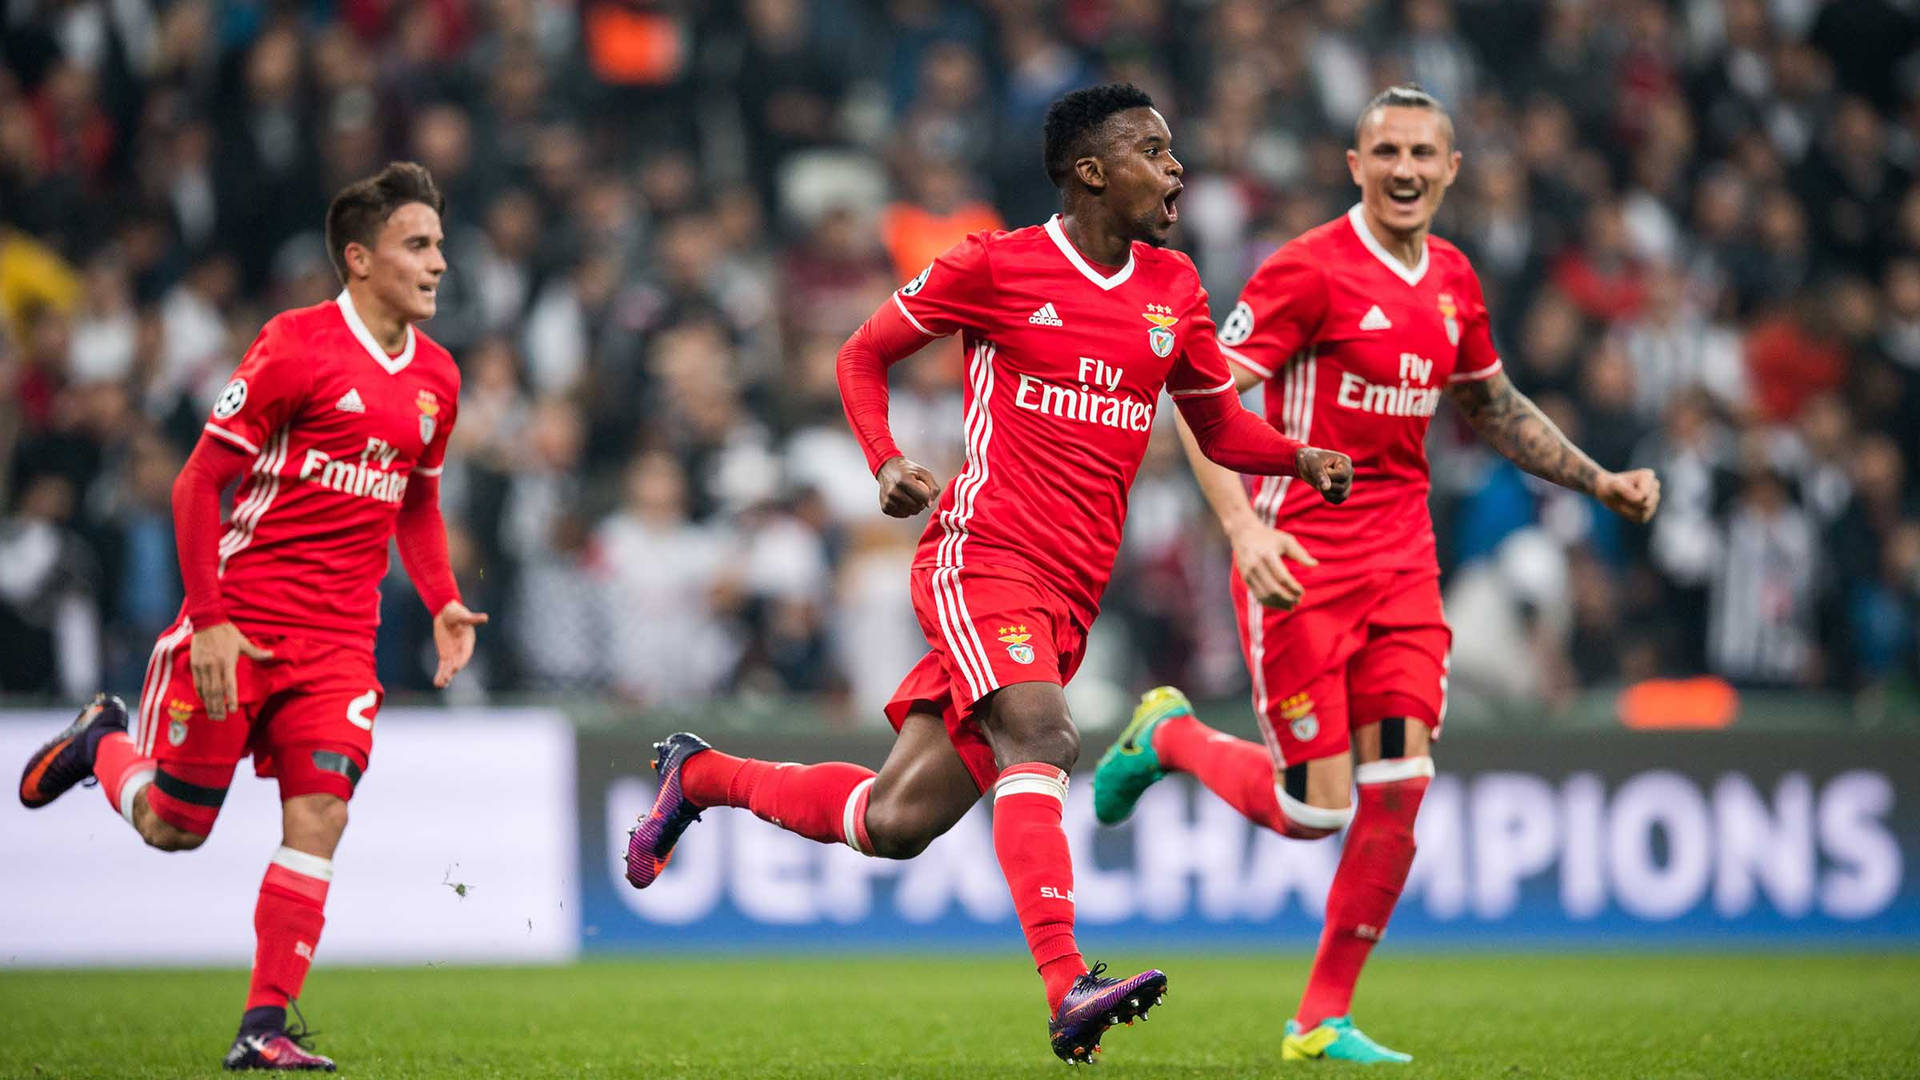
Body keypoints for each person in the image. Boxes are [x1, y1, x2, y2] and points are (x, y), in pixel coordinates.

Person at [624, 83, 1354, 1065]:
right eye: (1154, 149)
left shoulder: (1174, 288)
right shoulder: (998, 265)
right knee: (1046, 735)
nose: (1177, 169)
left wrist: (1296, 457)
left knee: (895, 821)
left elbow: (1217, 424)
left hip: (1070, 593)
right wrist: (884, 460)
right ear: (1091, 170)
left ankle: (698, 775)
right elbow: (861, 354)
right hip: (984, 557)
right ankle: (1068, 987)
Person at [1089, 85, 1662, 1064]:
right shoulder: (1308, 271)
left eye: (1422, 153)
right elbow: (1200, 399)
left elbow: (1491, 405)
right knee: (1315, 809)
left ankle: (1320, 1020)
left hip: (1403, 567)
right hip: (1299, 559)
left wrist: (1598, 479)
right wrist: (1242, 531)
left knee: (1397, 788)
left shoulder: (1452, 279)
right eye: (1385, 150)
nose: (1404, 168)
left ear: (1450, 170)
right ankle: (1169, 735)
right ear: (1356, 165)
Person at [17, 162, 488, 1073]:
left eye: (438, 244)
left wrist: (440, 601)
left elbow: (416, 504)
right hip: (242, 628)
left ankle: (262, 1026)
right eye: (418, 245)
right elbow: (198, 481)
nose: (439, 262)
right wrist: (210, 621)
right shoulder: (295, 346)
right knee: (174, 827)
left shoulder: (437, 376)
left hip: (341, 648)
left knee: (320, 818)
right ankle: (100, 744)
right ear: (359, 258)